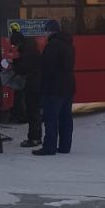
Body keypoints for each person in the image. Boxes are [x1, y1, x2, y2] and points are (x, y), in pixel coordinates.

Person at [33, 20, 75, 157]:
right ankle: (64, 146)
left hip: (53, 89)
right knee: (65, 118)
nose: (44, 34)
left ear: (50, 32)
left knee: (51, 119)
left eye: (45, 31)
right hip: (68, 87)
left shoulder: (52, 46)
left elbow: (47, 68)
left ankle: (49, 147)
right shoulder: (69, 45)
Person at [10, 28, 42, 147]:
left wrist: (13, 64)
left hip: (32, 85)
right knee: (34, 112)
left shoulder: (28, 52)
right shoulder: (30, 48)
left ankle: (34, 138)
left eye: (15, 44)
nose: (15, 47)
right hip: (35, 84)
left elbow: (23, 69)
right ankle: (36, 137)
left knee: (32, 112)